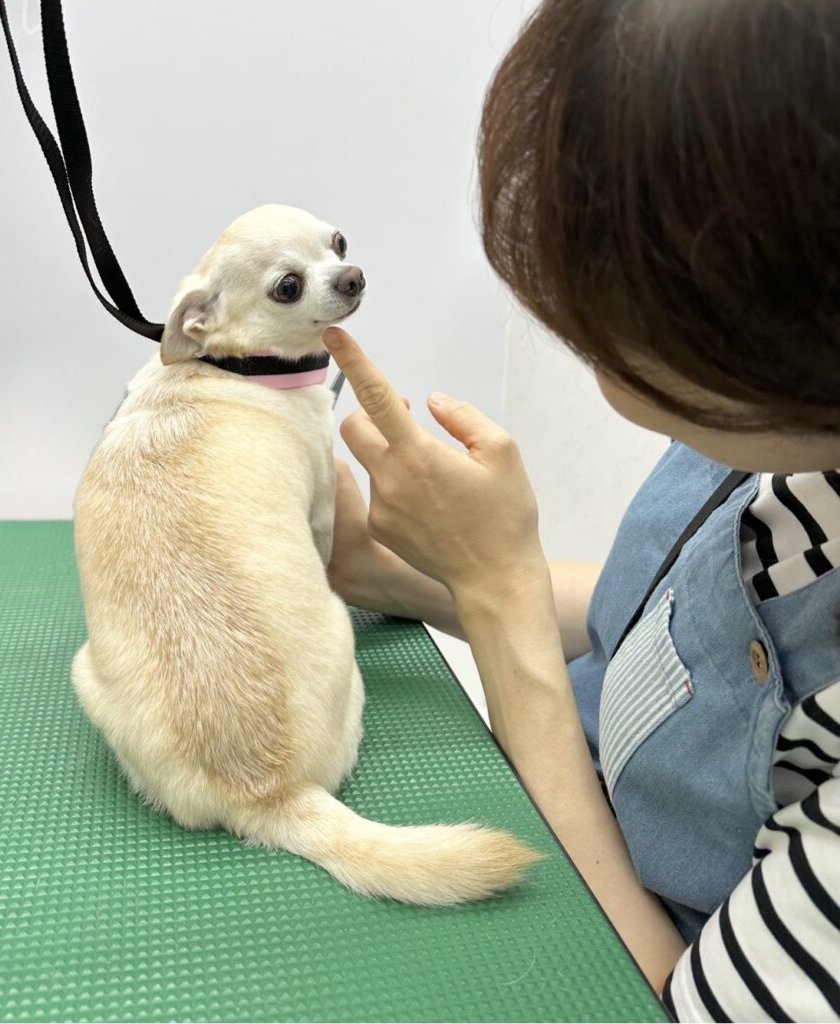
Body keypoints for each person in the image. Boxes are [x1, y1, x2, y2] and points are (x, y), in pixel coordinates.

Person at [321, 1, 840, 1020]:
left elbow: (673, 1001)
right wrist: (413, 571)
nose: (577, 324)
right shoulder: (791, 435)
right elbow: (675, 631)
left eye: (617, 307)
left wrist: (496, 587)